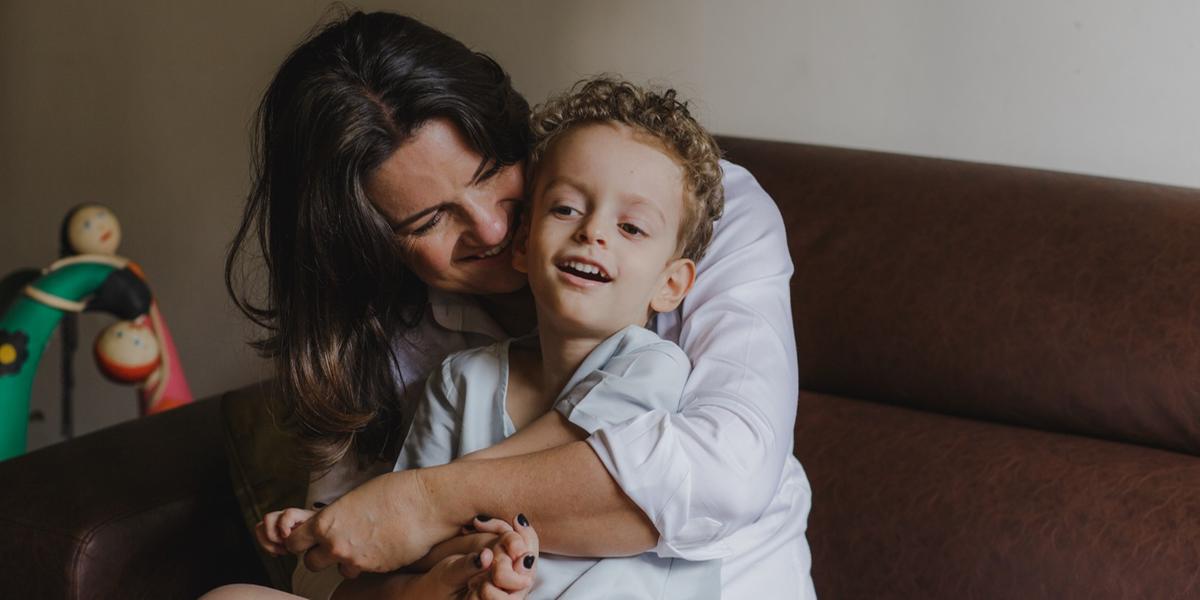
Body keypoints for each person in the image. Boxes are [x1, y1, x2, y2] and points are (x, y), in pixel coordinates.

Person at [216, 9, 814, 600]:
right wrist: (429, 573)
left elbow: (726, 476)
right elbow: (341, 561)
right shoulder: (445, 369)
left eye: (493, 173)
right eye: (431, 220)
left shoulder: (689, 206)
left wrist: (426, 502)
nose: (493, 228)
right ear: (370, 244)